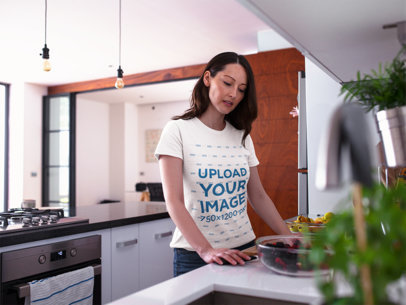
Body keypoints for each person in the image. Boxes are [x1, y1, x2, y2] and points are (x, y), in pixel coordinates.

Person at [154, 51, 292, 277]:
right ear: (207, 79)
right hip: (196, 255)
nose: (233, 94)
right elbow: (174, 201)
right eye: (227, 83)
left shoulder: (242, 135)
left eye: (241, 89)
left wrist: (289, 237)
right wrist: (206, 250)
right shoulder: (177, 130)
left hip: (245, 249)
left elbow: (257, 195)